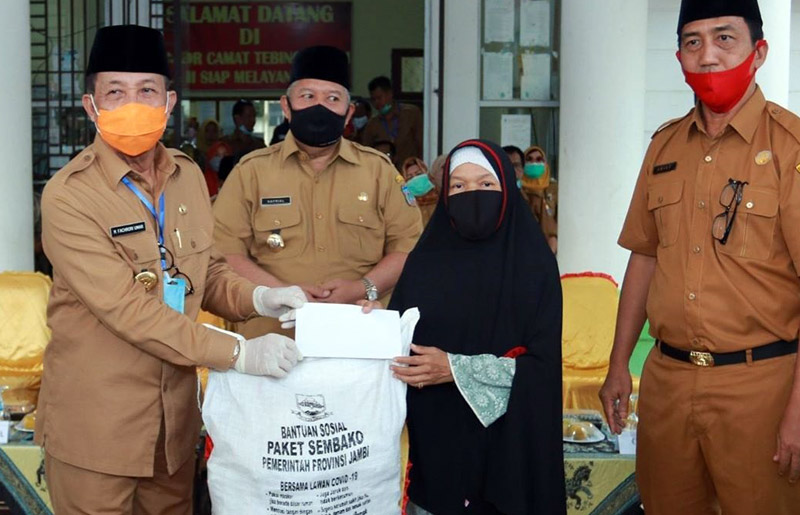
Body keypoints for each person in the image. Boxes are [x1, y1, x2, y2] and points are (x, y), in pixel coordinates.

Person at [37, 25, 307, 513]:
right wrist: (238, 352)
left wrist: (259, 298)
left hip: (174, 430)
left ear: (169, 101)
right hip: (98, 433)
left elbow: (206, 272)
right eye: (114, 92)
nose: (132, 103)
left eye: (146, 90)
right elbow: (128, 311)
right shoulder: (69, 196)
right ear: (90, 106)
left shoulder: (186, 176)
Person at [600, 1, 800, 513]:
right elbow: (644, 257)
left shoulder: (791, 147)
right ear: (679, 57)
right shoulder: (664, 147)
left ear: (758, 53)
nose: (707, 55)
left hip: (762, 387)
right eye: (693, 42)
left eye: (724, 38)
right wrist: (619, 363)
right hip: (668, 382)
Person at [384, 139, 565, 514]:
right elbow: (396, 338)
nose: (472, 194)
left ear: (506, 188)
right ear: (445, 194)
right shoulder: (424, 262)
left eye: (485, 184)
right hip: (439, 445)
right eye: (459, 186)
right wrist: (367, 320)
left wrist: (456, 368)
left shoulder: (534, 266)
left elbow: (543, 368)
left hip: (509, 452)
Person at [213, 45, 423, 340]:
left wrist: (363, 287)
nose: (319, 107)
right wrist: (279, 293)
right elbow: (224, 252)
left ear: (348, 113)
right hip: (271, 340)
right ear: (286, 107)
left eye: (333, 98)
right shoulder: (250, 173)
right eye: (308, 96)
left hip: (360, 337)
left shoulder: (380, 172)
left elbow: (408, 246)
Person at [362, 76, 423, 168]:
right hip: (385, 173)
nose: (376, 103)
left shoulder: (411, 114)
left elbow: (421, 143)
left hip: (410, 172)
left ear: (390, 94)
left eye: (379, 98)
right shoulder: (372, 124)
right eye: (373, 99)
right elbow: (366, 153)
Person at [520, 145, 558, 253]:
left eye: (539, 159)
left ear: (545, 164)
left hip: (550, 249)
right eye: (529, 159)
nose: (534, 163)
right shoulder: (517, 190)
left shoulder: (553, 189)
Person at [401, 156, 439, 226]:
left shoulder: (441, 199)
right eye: (410, 177)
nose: (415, 179)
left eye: (418, 174)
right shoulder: (406, 206)